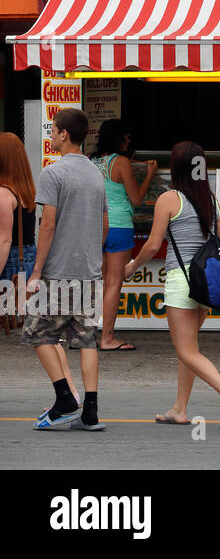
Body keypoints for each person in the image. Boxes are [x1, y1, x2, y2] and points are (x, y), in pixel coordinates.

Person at [124, 141, 220, 429]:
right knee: (189, 348)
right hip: (206, 282)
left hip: (181, 280)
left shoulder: (169, 198)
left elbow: (154, 243)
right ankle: (179, 409)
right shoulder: (211, 200)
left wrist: (132, 266)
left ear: (176, 167)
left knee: (185, 351)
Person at [25, 109, 108, 431]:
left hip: (59, 271)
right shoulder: (95, 173)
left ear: (64, 134)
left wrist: (36, 271)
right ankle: (90, 411)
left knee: (37, 332)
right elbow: (104, 223)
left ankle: (64, 397)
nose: (50, 134)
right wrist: (91, 253)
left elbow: (47, 226)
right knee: (86, 340)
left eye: (53, 129)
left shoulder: (53, 172)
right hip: (89, 270)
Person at [91, 120, 156, 352]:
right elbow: (137, 198)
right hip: (118, 224)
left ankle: (87, 333)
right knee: (114, 284)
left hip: (95, 225)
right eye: (127, 137)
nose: (129, 141)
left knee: (97, 282)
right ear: (118, 138)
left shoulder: (92, 161)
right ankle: (107, 338)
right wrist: (150, 174)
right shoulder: (121, 162)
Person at [1, 132, 39, 331]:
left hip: (10, 258)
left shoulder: (4, 192)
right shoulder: (26, 190)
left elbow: (4, 240)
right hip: (27, 254)